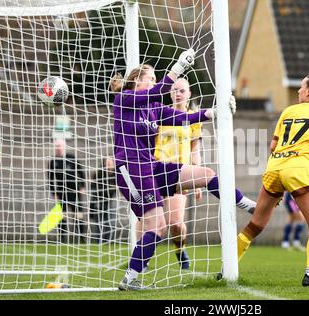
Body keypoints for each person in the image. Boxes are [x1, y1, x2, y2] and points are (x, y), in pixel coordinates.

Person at [110, 49, 256, 290]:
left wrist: (215, 113)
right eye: (152, 78)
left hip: (151, 166)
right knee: (157, 226)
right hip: (131, 170)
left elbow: (183, 118)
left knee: (206, 175)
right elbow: (158, 91)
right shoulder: (124, 99)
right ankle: (131, 278)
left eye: (156, 79)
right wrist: (178, 67)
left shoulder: (155, 108)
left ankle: (244, 203)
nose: (156, 83)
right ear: (137, 80)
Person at [236, 74, 309, 286]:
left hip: (274, 166)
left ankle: (227, 268)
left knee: (255, 225)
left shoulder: (288, 111)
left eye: (301, 87)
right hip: (297, 169)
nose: (298, 91)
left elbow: (273, 146)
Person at [141, 78, 203, 270]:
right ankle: (142, 259)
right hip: (156, 171)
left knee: (176, 224)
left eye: (182, 91)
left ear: (189, 94)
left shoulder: (193, 118)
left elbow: (195, 151)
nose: (178, 94)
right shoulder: (160, 113)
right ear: (169, 93)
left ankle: (179, 249)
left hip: (179, 173)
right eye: (174, 90)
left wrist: (197, 179)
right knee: (148, 221)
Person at [48, 139, 87, 243]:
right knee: (62, 216)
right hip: (61, 192)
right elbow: (50, 179)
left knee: (78, 215)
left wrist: (82, 186)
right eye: (57, 146)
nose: (59, 148)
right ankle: (62, 238)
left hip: (74, 191)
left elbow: (81, 172)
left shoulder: (72, 158)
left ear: (64, 147)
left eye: (60, 146)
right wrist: (53, 192)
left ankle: (81, 238)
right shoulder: (53, 161)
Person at [89, 157, 117, 244]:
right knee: (99, 222)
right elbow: (93, 186)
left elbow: (116, 188)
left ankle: (108, 241)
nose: (108, 165)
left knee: (109, 222)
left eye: (110, 163)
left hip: (110, 201)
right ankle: (99, 241)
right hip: (99, 200)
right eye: (107, 163)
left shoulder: (116, 174)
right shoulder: (99, 173)